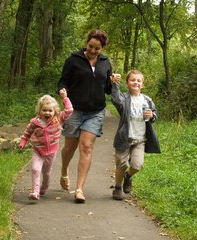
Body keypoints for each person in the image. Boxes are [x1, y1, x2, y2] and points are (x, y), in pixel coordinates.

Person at [57, 29, 113, 203]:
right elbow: (63, 80)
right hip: (75, 110)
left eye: (97, 48)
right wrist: (62, 90)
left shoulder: (105, 63)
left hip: (95, 111)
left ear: (102, 48)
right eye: (91, 46)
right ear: (87, 43)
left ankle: (79, 189)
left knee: (86, 147)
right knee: (69, 148)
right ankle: (64, 170)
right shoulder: (73, 60)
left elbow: (108, 89)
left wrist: (112, 81)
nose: (93, 51)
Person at [110, 70, 161, 201]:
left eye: (139, 81)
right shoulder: (124, 98)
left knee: (137, 165)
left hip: (140, 139)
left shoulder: (147, 100)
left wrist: (152, 116)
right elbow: (115, 99)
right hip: (125, 138)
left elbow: (154, 114)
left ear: (142, 84)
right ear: (127, 83)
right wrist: (115, 84)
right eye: (132, 80)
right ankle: (117, 188)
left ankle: (128, 177)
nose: (136, 82)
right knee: (121, 164)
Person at [19, 89, 73, 200]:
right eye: (44, 110)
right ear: (40, 111)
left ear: (55, 111)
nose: (47, 113)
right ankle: (35, 192)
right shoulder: (35, 122)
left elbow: (69, 110)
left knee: (46, 172)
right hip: (38, 151)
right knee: (35, 169)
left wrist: (64, 98)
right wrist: (23, 141)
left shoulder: (58, 119)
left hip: (51, 152)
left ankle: (44, 186)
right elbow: (27, 132)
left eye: (50, 111)